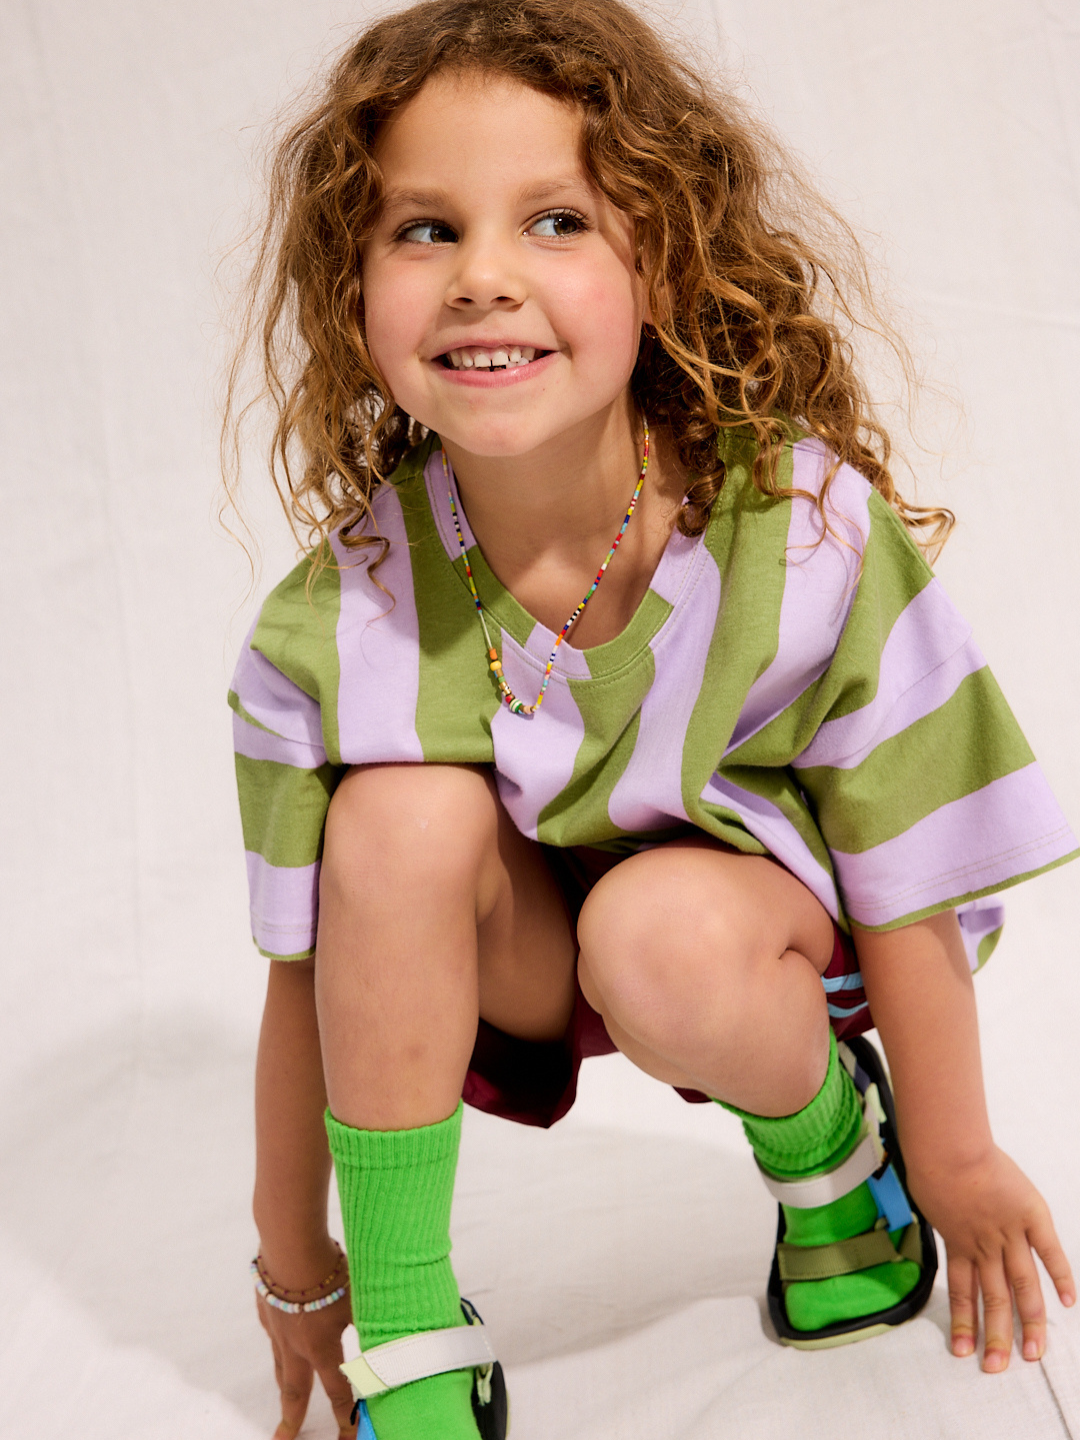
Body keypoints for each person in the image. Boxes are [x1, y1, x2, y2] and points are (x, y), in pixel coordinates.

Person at [226, 2, 1078, 1436]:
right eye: (423, 230)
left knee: (659, 934)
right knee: (393, 814)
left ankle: (827, 1149)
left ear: (663, 263)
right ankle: (411, 1319)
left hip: (753, 944)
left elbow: (910, 863)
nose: (483, 278)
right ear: (350, 289)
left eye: (554, 220)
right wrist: (304, 1266)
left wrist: (955, 1156)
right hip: (523, 959)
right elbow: (309, 973)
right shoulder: (341, 626)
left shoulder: (798, 534)